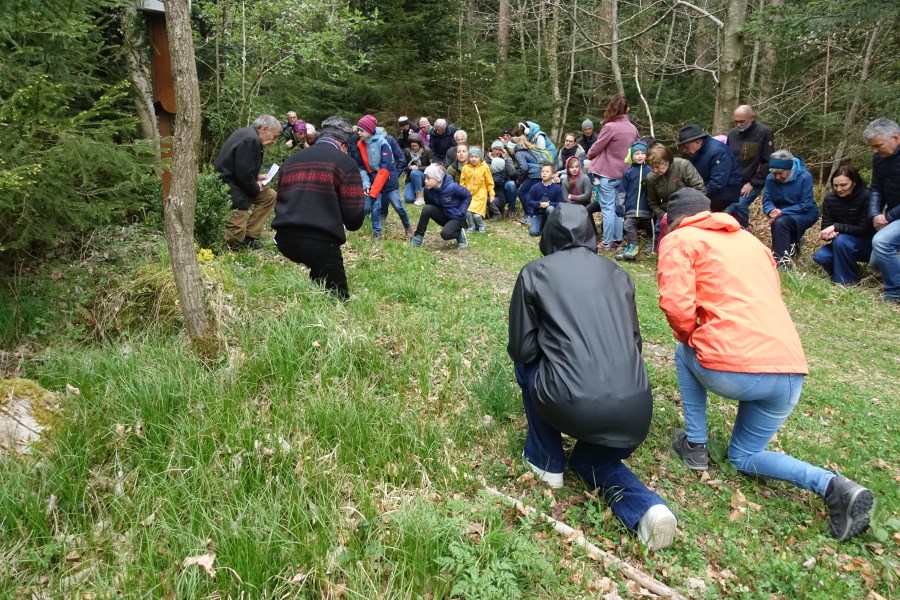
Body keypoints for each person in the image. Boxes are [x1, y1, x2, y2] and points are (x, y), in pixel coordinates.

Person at [657, 188, 874, 542]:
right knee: (744, 456)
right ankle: (834, 486)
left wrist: (691, 334)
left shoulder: (680, 239)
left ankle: (695, 444)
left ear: (675, 221)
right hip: (789, 370)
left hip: (733, 370)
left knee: (684, 348)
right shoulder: (751, 241)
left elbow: (676, 305)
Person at [508, 203, 677, 551]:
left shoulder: (534, 272)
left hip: (572, 403)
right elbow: (636, 343)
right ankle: (648, 509)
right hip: (635, 411)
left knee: (526, 366)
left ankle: (546, 461)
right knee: (591, 460)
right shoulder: (619, 274)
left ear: (548, 235)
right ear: (592, 233)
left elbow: (523, 351)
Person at [272, 116, 365, 301]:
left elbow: (280, 198)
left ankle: (311, 294)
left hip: (284, 239)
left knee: (319, 280)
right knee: (338, 301)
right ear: (344, 145)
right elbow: (353, 219)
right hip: (320, 241)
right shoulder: (345, 163)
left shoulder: (291, 161)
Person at [215, 114, 280, 250]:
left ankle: (250, 236)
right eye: (274, 137)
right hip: (230, 189)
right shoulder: (250, 140)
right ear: (265, 129)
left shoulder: (247, 134)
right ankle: (238, 242)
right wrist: (256, 187)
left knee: (270, 195)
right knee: (234, 239)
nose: (274, 142)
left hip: (238, 184)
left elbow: (241, 167)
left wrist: (256, 177)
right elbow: (242, 176)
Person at [587, 94, 637, 250]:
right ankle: (618, 240)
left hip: (607, 175)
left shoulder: (609, 127)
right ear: (626, 109)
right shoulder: (632, 128)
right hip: (624, 176)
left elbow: (596, 148)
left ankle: (607, 242)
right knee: (617, 209)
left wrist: (589, 155)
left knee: (607, 209)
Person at [812, 165, 874, 285]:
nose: (839, 189)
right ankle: (852, 271)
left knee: (841, 240)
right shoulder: (830, 199)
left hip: (867, 244)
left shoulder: (867, 196)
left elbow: (865, 229)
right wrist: (827, 235)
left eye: (843, 185)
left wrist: (836, 227)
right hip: (841, 243)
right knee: (821, 256)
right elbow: (826, 226)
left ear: (854, 182)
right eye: (835, 185)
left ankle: (846, 282)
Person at [355, 115, 413, 239]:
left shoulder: (383, 143)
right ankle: (377, 233)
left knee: (397, 205)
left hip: (389, 181)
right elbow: (361, 167)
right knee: (375, 207)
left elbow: (385, 168)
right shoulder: (360, 144)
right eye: (358, 130)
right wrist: (366, 184)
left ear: (369, 130)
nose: (358, 133)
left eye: (361, 130)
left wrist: (374, 190)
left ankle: (407, 225)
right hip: (373, 180)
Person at [762, 149, 820, 266]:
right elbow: (767, 200)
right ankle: (790, 249)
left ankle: (781, 261)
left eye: (780, 173)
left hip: (805, 213)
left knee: (780, 222)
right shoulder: (770, 178)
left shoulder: (804, 177)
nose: (777, 177)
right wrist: (770, 210)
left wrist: (781, 212)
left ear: (789, 169)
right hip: (782, 213)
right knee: (780, 222)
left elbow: (806, 204)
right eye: (774, 173)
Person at [864, 117, 900, 304]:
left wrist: (889, 217)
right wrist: (875, 213)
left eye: (878, 145)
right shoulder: (879, 158)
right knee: (876, 262)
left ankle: (894, 295)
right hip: (893, 215)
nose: (875, 151)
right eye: (872, 147)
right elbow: (876, 188)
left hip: (894, 215)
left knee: (882, 242)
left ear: (895, 138)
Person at [646, 144, 706, 249]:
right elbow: (653, 202)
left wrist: (689, 212)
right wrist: (662, 214)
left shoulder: (683, 166)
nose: (654, 170)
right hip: (667, 212)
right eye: (652, 167)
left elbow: (700, 190)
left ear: (667, 161)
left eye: (657, 167)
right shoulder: (651, 177)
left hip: (689, 210)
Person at [727, 105, 775, 228]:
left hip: (754, 180)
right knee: (731, 211)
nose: (738, 125)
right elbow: (728, 159)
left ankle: (745, 232)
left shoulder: (764, 132)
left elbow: (768, 161)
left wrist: (752, 183)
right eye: (736, 122)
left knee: (740, 205)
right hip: (734, 181)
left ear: (752, 118)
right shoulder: (732, 134)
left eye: (742, 121)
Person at [677, 124, 742, 213]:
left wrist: (695, 197)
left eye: (686, 147)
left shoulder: (718, 151)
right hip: (706, 190)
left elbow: (717, 184)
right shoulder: (696, 152)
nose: (684, 150)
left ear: (698, 141)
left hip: (724, 194)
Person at [410, 163, 471, 249]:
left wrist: (462, 211)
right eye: (425, 178)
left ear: (437, 178)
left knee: (445, 234)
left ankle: (459, 233)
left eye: (428, 178)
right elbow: (429, 205)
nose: (425, 181)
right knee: (427, 209)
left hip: (456, 217)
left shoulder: (452, 187)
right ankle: (418, 238)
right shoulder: (428, 190)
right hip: (444, 215)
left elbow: (467, 195)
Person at [617, 141, 653, 260]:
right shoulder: (628, 172)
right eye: (637, 153)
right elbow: (622, 191)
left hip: (646, 207)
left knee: (648, 227)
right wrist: (620, 206)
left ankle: (647, 245)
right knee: (628, 225)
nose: (640, 156)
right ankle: (632, 247)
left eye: (643, 153)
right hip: (631, 207)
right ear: (632, 156)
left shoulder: (650, 171)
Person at [513, 136, 550, 225]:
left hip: (534, 175)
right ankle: (537, 215)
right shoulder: (529, 150)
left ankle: (529, 215)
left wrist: (519, 180)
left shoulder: (519, 153)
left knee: (521, 193)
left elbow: (524, 167)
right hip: (541, 173)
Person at [460, 147, 494, 233]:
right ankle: (471, 226)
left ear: (480, 157)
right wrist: (461, 193)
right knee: (467, 212)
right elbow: (462, 182)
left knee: (476, 215)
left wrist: (491, 194)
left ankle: (481, 225)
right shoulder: (465, 168)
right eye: (472, 157)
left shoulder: (484, 167)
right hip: (469, 195)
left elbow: (489, 182)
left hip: (480, 195)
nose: (474, 159)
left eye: (476, 157)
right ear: (469, 157)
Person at [526, 163, 563, 237]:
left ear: (553, 174)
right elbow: (529, 201)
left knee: (550, 208)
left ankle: (550, 228)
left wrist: (549, 204)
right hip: (538, 213)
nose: (544, 173)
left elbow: (561, 203)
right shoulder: (535, 187)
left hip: (551, 214)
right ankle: (543, 227)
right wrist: (539, 204)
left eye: (547, 172)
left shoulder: (557, 188)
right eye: (543, 171)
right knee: (533, 232)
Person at [490, 140, 520, 218]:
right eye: (495, 149)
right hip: (492, 182)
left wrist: (505, 159)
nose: (497, 151)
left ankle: (511, 209)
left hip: (504, 182)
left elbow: (513, 173)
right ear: (492, 150)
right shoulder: (487, 158)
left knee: (511, 184)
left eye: (499, 149)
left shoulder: (507, 158)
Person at [403, 132, 432, 205]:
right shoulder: (407, 152)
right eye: (412, 146)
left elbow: (431, 167)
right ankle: (416, 193)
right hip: (411, 178)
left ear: (420, 144)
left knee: (415, 172)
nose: (414, 147)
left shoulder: (427, 151)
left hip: (424, 176)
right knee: (408, 199)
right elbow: (403, 166)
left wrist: (418, 168)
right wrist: (409, 167)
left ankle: (420, 196)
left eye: (416, 145)